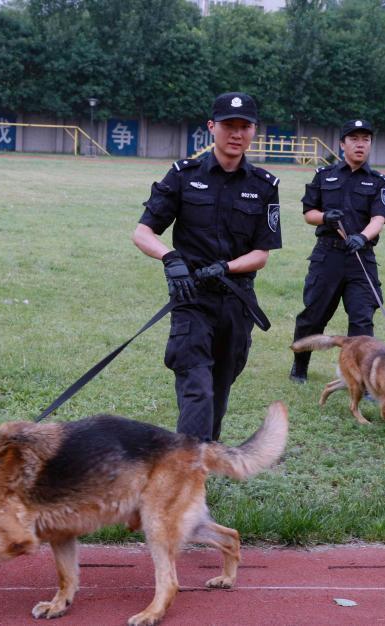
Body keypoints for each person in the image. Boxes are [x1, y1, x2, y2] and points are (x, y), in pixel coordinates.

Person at [133, 92, 281, 442]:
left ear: (254, 131)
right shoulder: (184, 176)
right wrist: (171, 259)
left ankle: (201, 457)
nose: (236, 133)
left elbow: (261, 253)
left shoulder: (263, 185)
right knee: (197, 386)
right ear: (212, 127)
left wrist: (226, 268)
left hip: (236, 303)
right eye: (229, 125)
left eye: (244, 126)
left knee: (218, 390)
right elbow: (142, 233)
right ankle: (188, 472)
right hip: (192, 300)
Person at [290, 119, 385, 383]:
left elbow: (379, 218)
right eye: (354, 139)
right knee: (313, 316)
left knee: (362, 322)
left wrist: (362, 237)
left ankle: (364, 380)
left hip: (360, 259)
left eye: (366, 139)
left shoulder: (378, 181)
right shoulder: (324, 176)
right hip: (327, 257)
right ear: (342, 144)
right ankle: (299, 366)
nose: (360, 144)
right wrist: (325, 217)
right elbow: (308, 213)